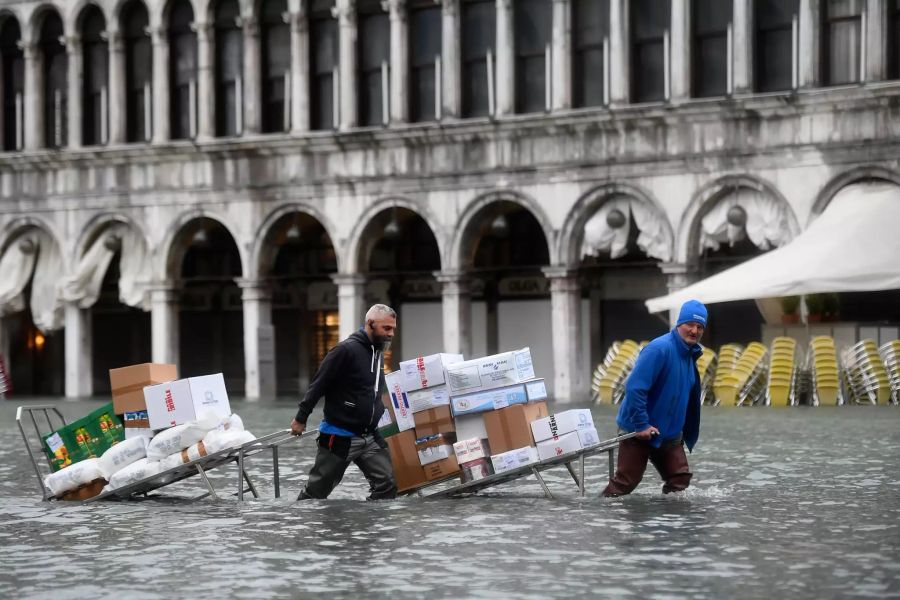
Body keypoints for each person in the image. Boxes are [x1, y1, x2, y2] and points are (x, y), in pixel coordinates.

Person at [290, 304, 398, 500]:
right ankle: (304, 523)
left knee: (387, 484)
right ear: (370, 324)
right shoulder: (345, 350)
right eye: (386, 328)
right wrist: (301, 418)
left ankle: (370, 528)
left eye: (393, 329)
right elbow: (318, 385)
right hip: (339, 436)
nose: (391, 334)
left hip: (369, 436)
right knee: (315, 494)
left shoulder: (378, 353)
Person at [602, 299, 707, 497]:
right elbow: (634, 388)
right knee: (625, 484)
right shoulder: (659, 349)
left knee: (679, 480)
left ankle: (666, 522)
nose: (694, 330)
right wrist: (641, 425)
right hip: (638, 428)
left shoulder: (690, 355)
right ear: (679, 324)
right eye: (690, 324)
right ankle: (599, 513)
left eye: (700, 327)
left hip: (669, 434)